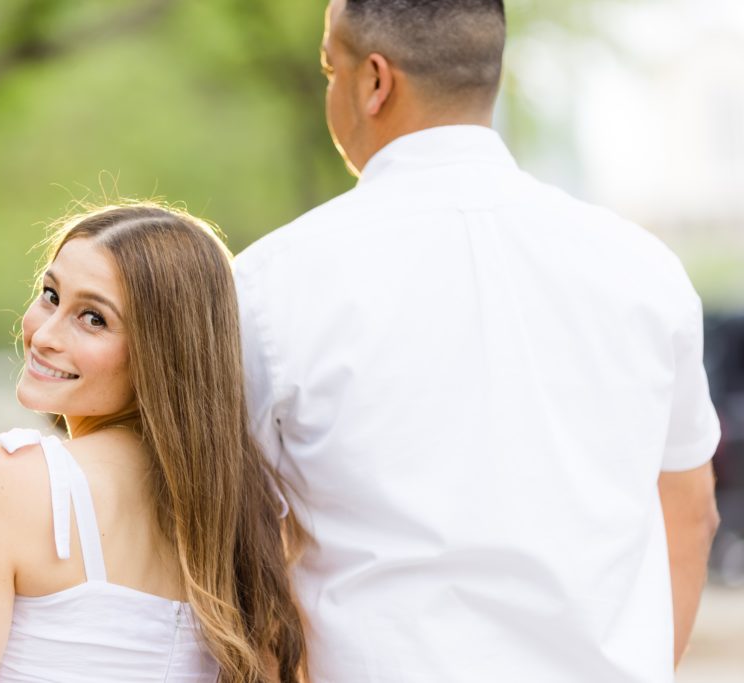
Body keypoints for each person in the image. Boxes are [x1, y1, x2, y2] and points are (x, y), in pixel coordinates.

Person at [233, 1, 721, 681]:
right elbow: (691, 514)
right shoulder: (646, 270)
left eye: (328, 68)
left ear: (374, 81)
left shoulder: (269, 282)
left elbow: (227, 543)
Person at [0, 204, 307, 683]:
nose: (45, 335)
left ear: (160, 353)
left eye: (93, 318)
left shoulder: (1, 481)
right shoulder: (246, 507)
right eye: (51, 295)